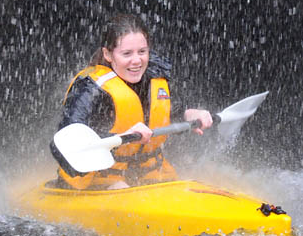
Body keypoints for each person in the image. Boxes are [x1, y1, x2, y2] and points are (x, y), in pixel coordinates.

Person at [50, 14, 213, 190]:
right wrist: (120, 137)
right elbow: (65, 140)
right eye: (127, 53)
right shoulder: (90, 89)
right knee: (119, 187)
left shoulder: (152, 77)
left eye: (142, 52)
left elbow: (163, 109)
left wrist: (189, 114)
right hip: (97, 180)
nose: (137, 60)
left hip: (147, 174)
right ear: (108, 54)